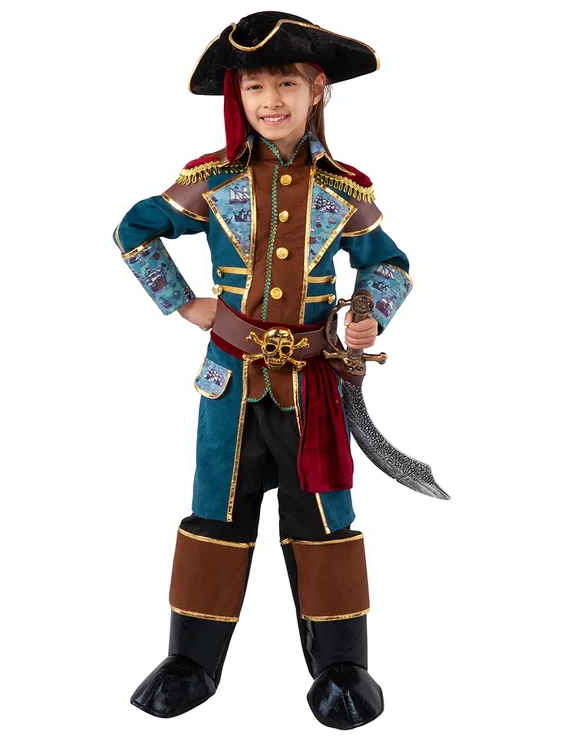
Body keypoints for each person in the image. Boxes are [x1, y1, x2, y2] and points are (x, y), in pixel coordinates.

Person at [112, 11, 413, 730]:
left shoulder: (344, 192)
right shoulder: (213, 182)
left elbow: (390, 267)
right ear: (238, 96)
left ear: (317, 90)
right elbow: (133, 229)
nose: (271, 100)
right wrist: (183, 303)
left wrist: (368, 313)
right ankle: (191, 661)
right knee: (215, 510)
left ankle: (342, 667)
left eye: (286, 83)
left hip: (312, 388)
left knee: (325, 518)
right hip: (230, 383)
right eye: (255, 86)